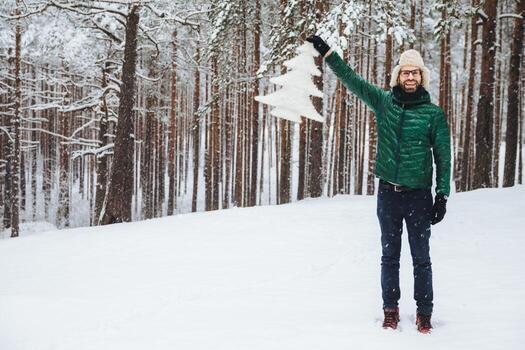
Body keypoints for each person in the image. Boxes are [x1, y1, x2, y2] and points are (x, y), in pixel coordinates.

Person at [307, 35, 451, 334]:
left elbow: (443, 157)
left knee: (421, 258)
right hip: (388, 194)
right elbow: (352, 80)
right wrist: (329, 53)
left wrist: (442, 196)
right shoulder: (385, 103)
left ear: (421, 77)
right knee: (390, 256)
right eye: (405, 72)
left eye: (415, 72)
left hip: (419, 196)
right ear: (398, 75)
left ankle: (424, 312)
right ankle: (390, 310)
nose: (410, 77)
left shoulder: (433, 114)